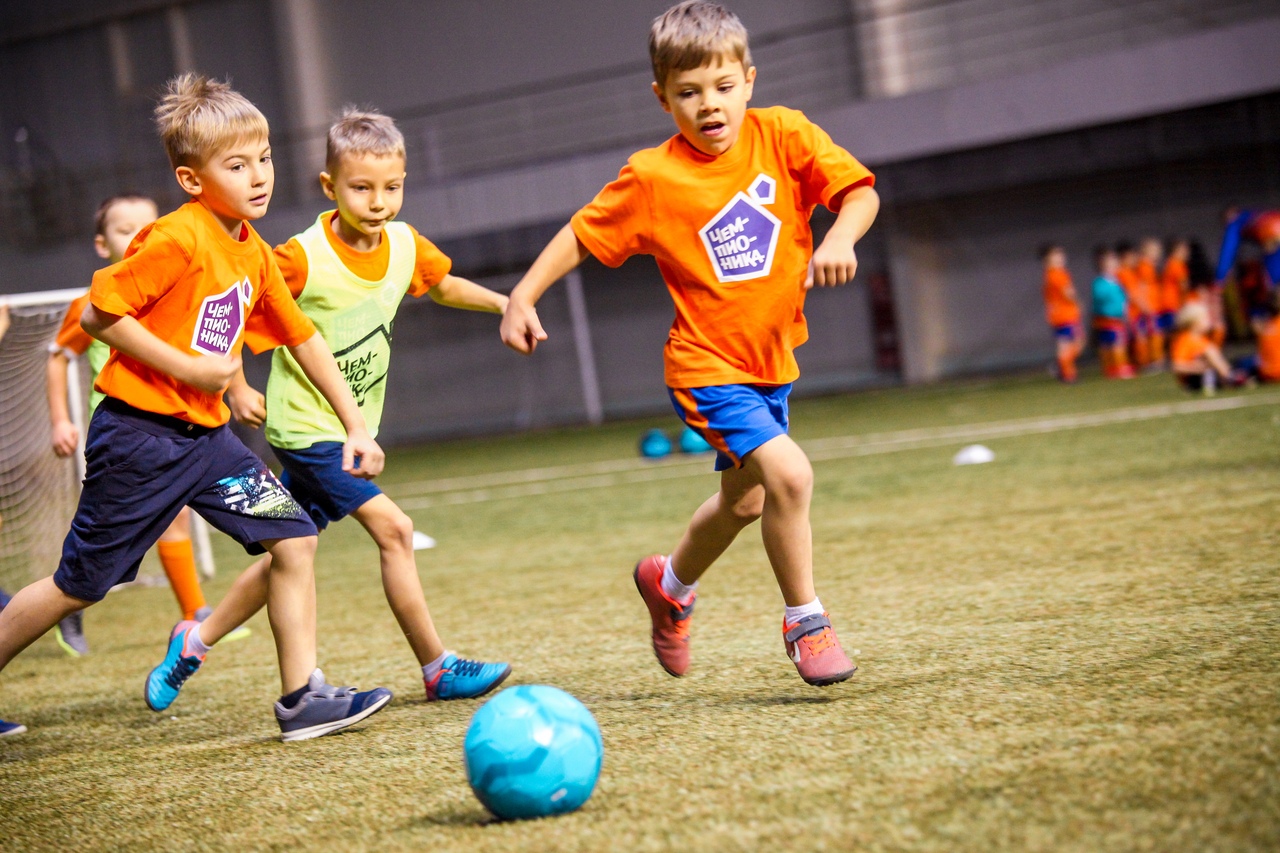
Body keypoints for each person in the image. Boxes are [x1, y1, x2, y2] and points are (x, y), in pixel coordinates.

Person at [0, 74, 392, 742]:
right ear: (191, 178)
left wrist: (354, 422)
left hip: (207, 445)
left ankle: (302, 699)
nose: (258, 176)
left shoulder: (256, 252)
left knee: (294, 536)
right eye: (236, 166)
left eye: (263, 158)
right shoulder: (175, 238)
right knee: (81, 583)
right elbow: (98, 314)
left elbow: (303, 336)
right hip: (139, 439)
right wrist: (193, 370)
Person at [501, 1, 878, 686]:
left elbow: (859, 193)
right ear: (661, 97)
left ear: (749, 80)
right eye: (688, 92)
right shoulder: (652, 177)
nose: (710, 105)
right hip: (705, 367)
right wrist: (523, 295)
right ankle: (807, 622)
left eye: (723, 86)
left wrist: (842, 235)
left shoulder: (785, 135)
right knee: (791, 475)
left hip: (772, 364)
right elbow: (583, 235)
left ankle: (670, 585)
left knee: (746, 502)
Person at [196, 108, 511, 703]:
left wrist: (505, 302)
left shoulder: (404, 244)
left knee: (289, 550)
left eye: (392, 187)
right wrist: (234, 385)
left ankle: (196, 638)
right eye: (361, 188)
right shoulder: (299, 257)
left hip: (347, 428)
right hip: (309, 430)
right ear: (329, 186)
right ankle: (437, 667)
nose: (378, 201)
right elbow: (234, 307)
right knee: (395, 530)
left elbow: (442, 285)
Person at [46, 194, 250, 657]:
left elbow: (216, 342)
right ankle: (67, 601)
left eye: (149, 225)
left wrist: (236, 388)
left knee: (170, 516)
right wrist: (61, 419)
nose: (139, 236)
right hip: (125, 433)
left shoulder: (176, 291)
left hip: (175, 430)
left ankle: (194, 613)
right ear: (102, 245)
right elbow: (58, 358)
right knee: (102, 553)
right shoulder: (94, 302)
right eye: (124, 230)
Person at [1171, 301, 1239, 393]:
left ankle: (1229, 376)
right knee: (1208, 350)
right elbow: (1177, 366)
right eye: (1205, 318)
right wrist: (1199, 368)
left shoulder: (1203, 340)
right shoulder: (1185, 340)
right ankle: (1229, 376)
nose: (1208, 321)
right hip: (1194, 379)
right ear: (1194, 322)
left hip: (1206, 374)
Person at [1039, 243, 1081, 383]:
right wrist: (1077, 302)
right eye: (1056, 254)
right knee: (1076, 342)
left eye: (1060, 253)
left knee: (1065, 344)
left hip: (1057, 315)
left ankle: (1063, 369)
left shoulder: (1049, 274)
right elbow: (1068, 293)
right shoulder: (1057, 274)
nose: (1060, 257)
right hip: (1066, 314)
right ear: (1047, 259)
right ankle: (1065, 371)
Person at [1091, 246, 1133, 379]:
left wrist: (1125, 311)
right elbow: (1100, 298)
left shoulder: (1117, 281)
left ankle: (1119, 367)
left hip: (1117, 318)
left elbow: (1123, 299)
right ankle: (1112, 368)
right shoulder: (1100, 283)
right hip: (1106, 319)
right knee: (1109, 344)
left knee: (1118, 343)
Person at [1116, 241, 1151, 370]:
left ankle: (1139, 363)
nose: (1135, 258)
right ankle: (1143, 364)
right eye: (1132, 256)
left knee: (1138, 338)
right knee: (1138, 337)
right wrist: (1145, 307)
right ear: (1125, 256)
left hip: (1135, 312)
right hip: (1130, 313)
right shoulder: (1123, 273)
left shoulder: (1130, 272)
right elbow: (1131, 295)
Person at [1157, 238, 1189, 359]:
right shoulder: (1177, 264)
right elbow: (1183, 285)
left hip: (1164, 303)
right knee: (1176, 331)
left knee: (1167, 332)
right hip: (1173, 303)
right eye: (1184, 250)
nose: (1187, 252)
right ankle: (1177, 355)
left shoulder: (1168, 263)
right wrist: (1185, 303)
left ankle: (1169, 355)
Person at [1136, 238, 1166, 366]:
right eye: (1154, 250)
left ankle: (1157, 359)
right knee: (1154, 333)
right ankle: (1155, 360)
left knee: (1156, 333)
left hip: (1155, 305)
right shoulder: (1144, 266)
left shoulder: (1150, 266)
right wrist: (1145, 305)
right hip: (1150, 307)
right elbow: (1142, 287)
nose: (1157, 253)